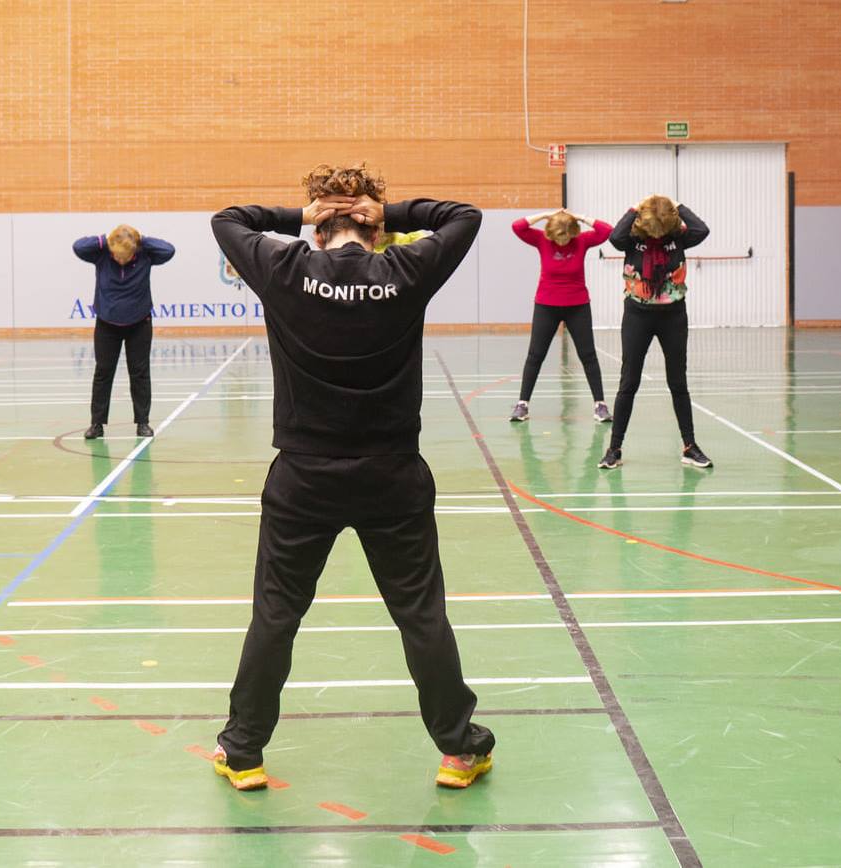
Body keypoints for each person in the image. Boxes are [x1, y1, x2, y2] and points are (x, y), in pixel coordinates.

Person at [208, 163, 497, 792]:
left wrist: (296, 218)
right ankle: (458, 749)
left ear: (318, 226)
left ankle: (243, 751)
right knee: (420, 615)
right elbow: (464, 216)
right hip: (393, 476)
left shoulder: (284, 270)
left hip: (303, 478)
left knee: (276, 614)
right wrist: (389, 214)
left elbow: (227, 220)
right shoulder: (407, 271)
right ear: (371, 224)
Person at [599, 195, 711, 470]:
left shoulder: (680, 237)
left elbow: (702, 230)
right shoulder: (631, 240)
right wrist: (635, 207)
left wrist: (679, 206)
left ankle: (689, 446)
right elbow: (614, 236)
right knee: (629, 382)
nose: (658, 233)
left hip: (673, 317)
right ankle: (614, 449)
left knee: (678, 382)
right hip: (637, 316)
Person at [509, 209, 613, 424]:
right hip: (546, 305)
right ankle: (522, 404)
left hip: (578, 306)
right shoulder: (541, 240)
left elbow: (607, 231)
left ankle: (600, 405)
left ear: (573, 232)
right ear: (551, 233)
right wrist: (545, 215)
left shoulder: (582, 241)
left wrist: (581, 217)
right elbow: (517, 226)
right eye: (558, 237)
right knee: (535, 355)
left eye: (566, 236)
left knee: (588, 355)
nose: (562, 241)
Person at [73, 225, 174, 440]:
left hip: (139, 322)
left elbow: (169, 250)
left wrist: (141, 240)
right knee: (103, 373)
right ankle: (97, 423)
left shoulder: (145, 254)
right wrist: (104, 240)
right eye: (117, 256)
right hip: (107, 322)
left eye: (125, 256)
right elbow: (78, 247)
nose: (120, 260)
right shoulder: (102, 255)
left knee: (139, 372)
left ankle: (143, 422)